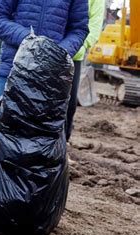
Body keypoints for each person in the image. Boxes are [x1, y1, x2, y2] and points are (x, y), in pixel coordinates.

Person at [0, 0, 90, 100]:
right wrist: (28, 39)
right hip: (12, 70)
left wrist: (57, 51)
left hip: (50, 75)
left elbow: (79, 30)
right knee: (2, 115)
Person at [66, 0, 105, 141]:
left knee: (69, 106)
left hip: (74, 56)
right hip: (50, 50)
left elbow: (94, 27)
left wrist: (79, 46)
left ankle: (63, 142)